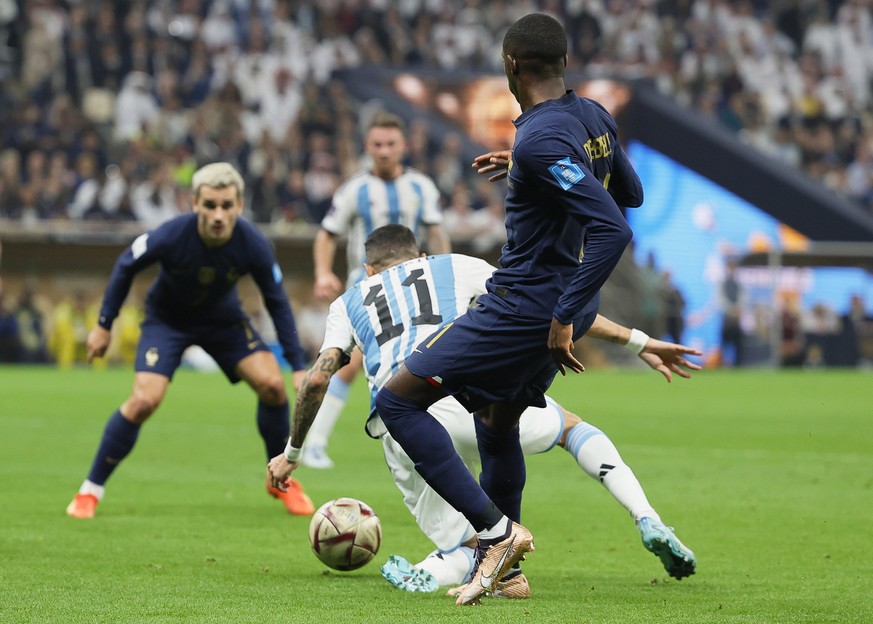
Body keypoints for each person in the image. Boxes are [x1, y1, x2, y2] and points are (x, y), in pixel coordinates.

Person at [372, 14, 646, 605]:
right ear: (564, 63)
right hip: (552, 296)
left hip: (524, 305)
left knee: (396, 399)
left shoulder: (542, 139)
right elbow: (630, 193)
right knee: (496, 423)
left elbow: (611, 227)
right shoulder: (592, 117)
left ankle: (494, 535)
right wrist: (529, 170)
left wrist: (564, 313)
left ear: (511, 66)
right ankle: (508, 577)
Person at [267, 225, 698, 597]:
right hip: (468, 392)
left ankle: (437, 568)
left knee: (471, 544)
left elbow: (318, 379)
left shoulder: (348, 302)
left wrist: (292, 453)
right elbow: (547, 310)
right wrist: (639, 342)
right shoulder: (452, 264)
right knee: (571, 428)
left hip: (404, 426)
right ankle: (647, 517)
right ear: (420, 256)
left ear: (368, 270)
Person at [65, 162, 314, 519]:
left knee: (273, 386)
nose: (218, 214)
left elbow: (277, 301)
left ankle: (280, 481)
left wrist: (298, 366)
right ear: (194, 203)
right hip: (167, 322)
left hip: (223, 322)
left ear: (239, 206)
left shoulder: (254, 244)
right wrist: (104, 324)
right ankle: (90, 490)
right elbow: (125, 265)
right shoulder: (171, 235)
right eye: (210, 205)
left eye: (226, 205)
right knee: (143, 401)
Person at [304, 111, 451, 469]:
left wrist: (444, 273)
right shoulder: (355, 189)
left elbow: (436, 233)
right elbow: (327, 234)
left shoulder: (422, 187)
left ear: (403, 146)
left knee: (427, 362)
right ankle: (314, 443)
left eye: (390, 144)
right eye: (377, 145)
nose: (384, 151)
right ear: (368, 147)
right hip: (366, 287)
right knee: (348, 363)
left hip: (414, 289)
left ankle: (430, 438)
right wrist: (323, 272)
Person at [719, 259, 746, 367]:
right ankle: (722, 364)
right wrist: (731, 310)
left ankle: (737, 365)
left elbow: (743, 298)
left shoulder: (739, 283)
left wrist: (738, 309)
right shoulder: (722, 283)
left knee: (738, 344)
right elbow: (721, 299)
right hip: (726, 319)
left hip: (737, 319)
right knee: (724, 344)